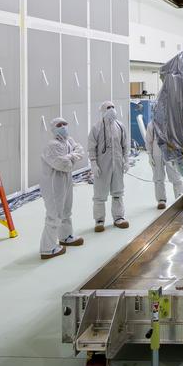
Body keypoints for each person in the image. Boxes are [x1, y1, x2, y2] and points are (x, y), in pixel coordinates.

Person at [40, 115, 86, 259]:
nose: (64, 127)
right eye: (59, 125)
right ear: (53, 129)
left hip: (66, 180)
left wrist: (70, 157)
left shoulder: (68, 141)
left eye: (65, 123)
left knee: (66, 210)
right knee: (54, 214)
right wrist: (73, 156)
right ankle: (48, 248)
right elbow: (62, 165)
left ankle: (65, 236)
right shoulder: (52, 145)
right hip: (54, 183)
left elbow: (81, 150)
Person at [89, 100, 129, 231]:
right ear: (103, 111)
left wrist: (126, 160)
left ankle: (119, 217)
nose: (111, 109)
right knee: (100, 194)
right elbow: (91, 147)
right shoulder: (96, 128)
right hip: (102, 166)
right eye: (108, 107)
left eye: (113, 107)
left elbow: (125, 145)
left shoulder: (120, 126)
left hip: (117, 164)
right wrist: (94, 163)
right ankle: (99, 220)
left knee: (118, 192)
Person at [144, 114, 183, 210]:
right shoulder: (151, 125)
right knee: (158, 178)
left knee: (175, 177)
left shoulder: (171, 124)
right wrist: (149, 154)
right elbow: (148, 141)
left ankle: (180, 197)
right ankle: (161, 200)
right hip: (156, 154)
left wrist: (178, 153)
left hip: (170, 153)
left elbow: (177, 139)